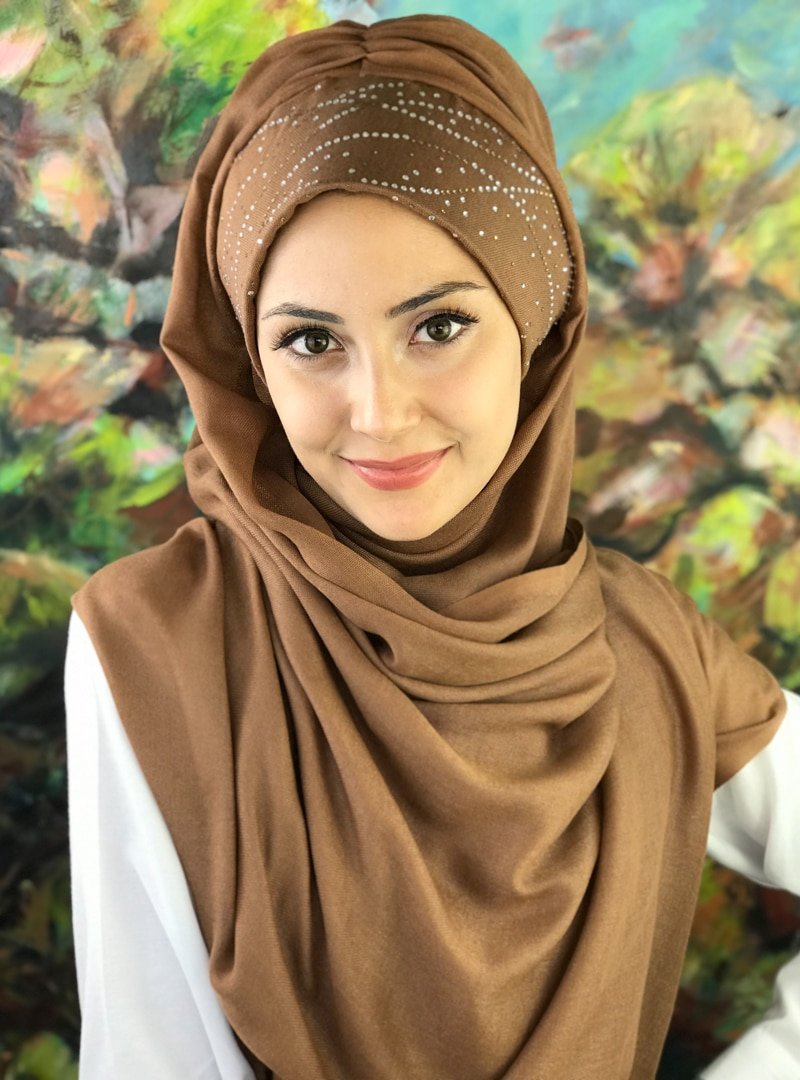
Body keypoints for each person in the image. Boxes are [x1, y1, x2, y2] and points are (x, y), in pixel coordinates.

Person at [64, 13, 800, 1080]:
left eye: (439, 326)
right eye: (310, 341)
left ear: (534, 327)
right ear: (251, 362)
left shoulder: (644, 649)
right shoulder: (152, 643)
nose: (380, 413)